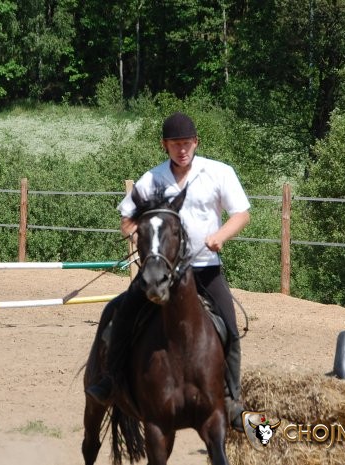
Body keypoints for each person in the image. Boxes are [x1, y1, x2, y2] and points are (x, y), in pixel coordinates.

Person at [85, 112, 251, 432]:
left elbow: (241, 214)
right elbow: (127, 218)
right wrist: (137, 234)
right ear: (165, 145)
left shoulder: (219, 172)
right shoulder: (151, 179)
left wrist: (221, 235)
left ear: (196, 142)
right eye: (175, 144)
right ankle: (111, 382)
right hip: (159, 272)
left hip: (204, 270)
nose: (182, 149)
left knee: (230, 328)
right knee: (119, 315)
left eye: (186, 143)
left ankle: (232, 398)